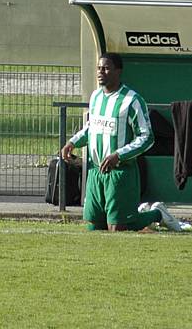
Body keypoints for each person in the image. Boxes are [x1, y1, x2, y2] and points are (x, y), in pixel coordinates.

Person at [61, 52, 181, 232]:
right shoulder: (96, 97)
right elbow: (91, 127)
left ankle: (157, 214)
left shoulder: (132, 100)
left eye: (106, 68)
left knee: (117, 228)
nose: (101, 72)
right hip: (95, 171)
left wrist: (118, 155)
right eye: (99, 68)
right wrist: (72, 142)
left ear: (118, 72)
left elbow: (147, 137)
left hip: (120, 172)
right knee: (95, 226)